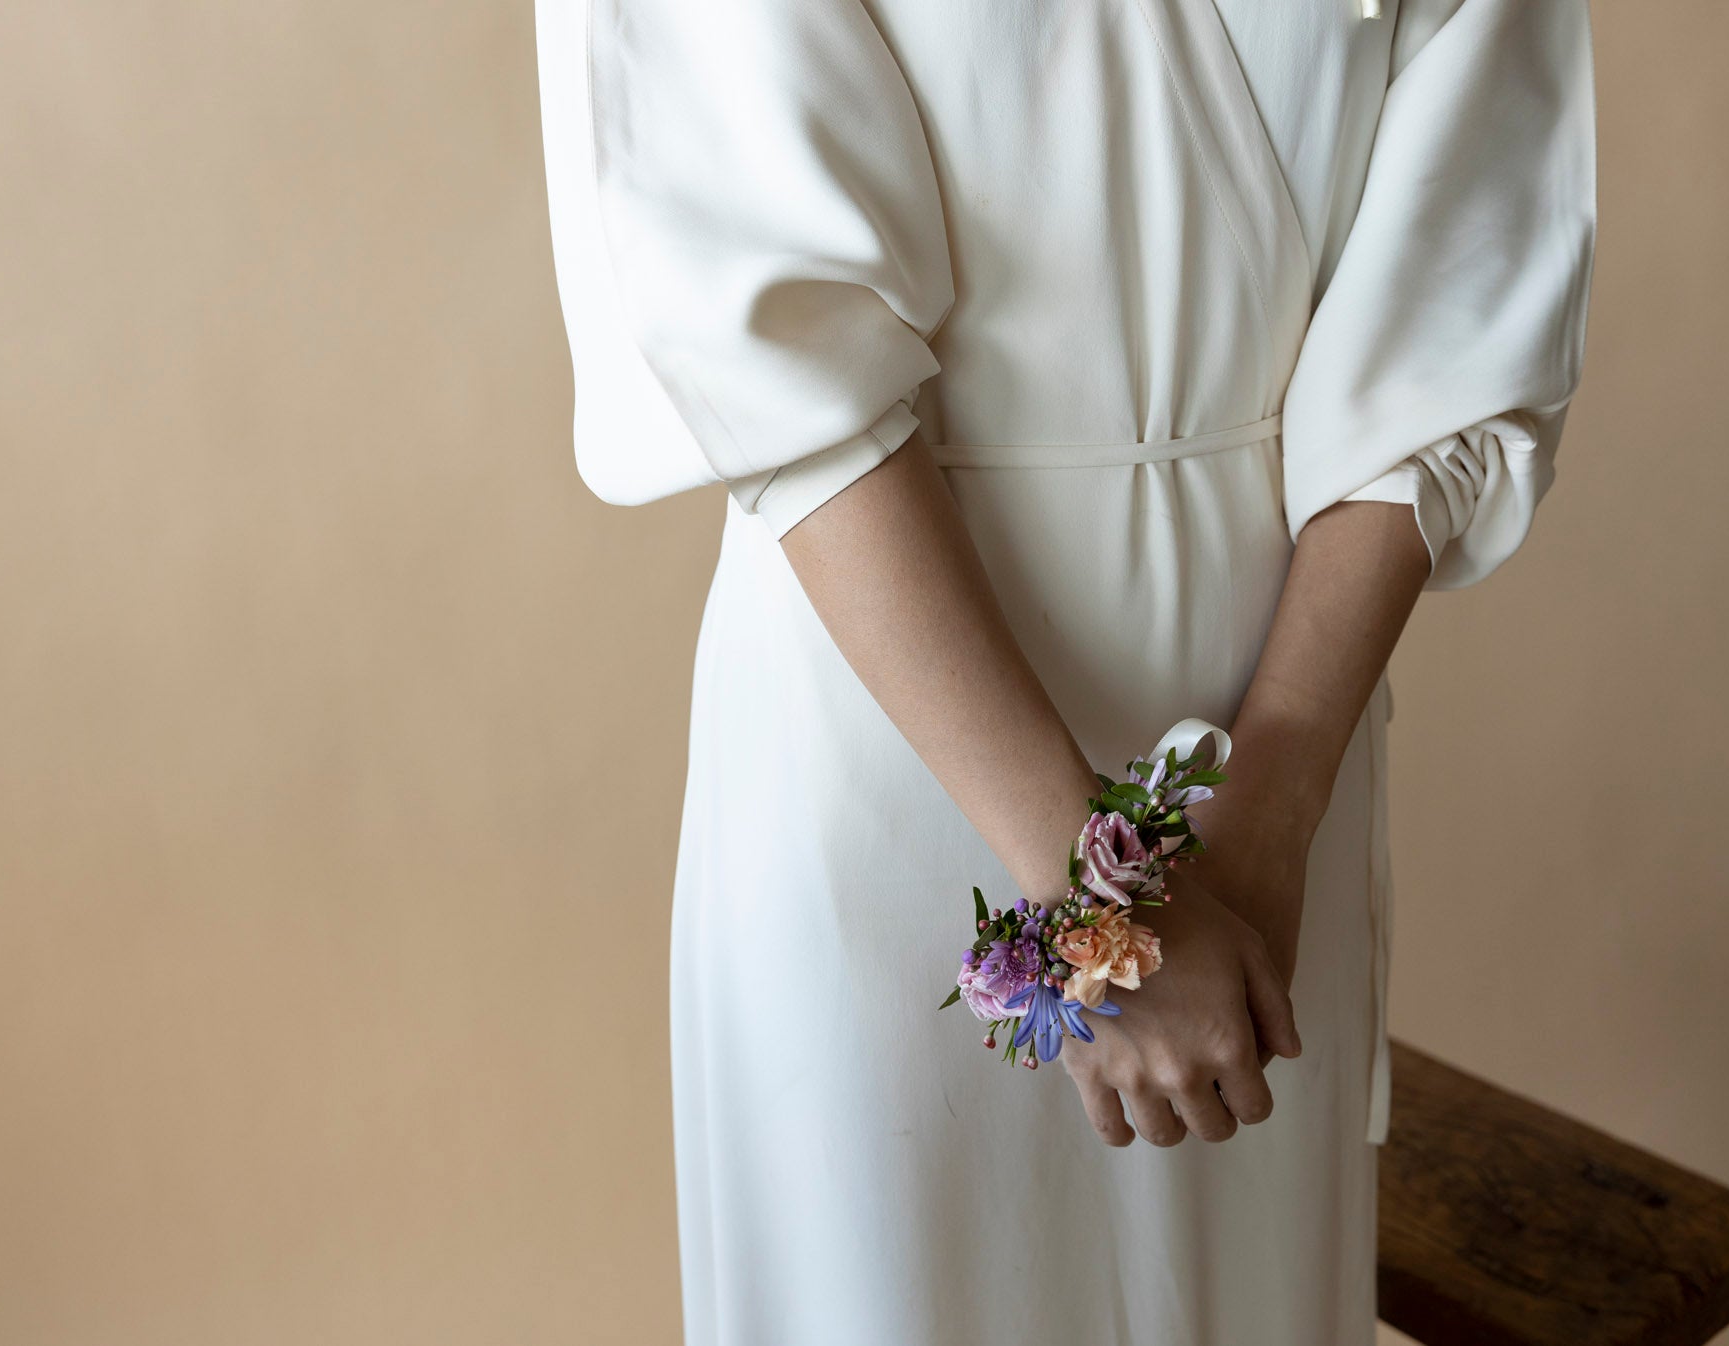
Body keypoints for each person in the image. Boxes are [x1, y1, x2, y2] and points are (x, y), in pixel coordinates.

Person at [535, 0, 1596, 1340]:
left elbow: (1459, 303)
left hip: (1272, 772)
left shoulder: (1272, 822)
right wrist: (1096, 899)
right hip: (892, 742)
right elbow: (765, 322)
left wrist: (1270, 810)